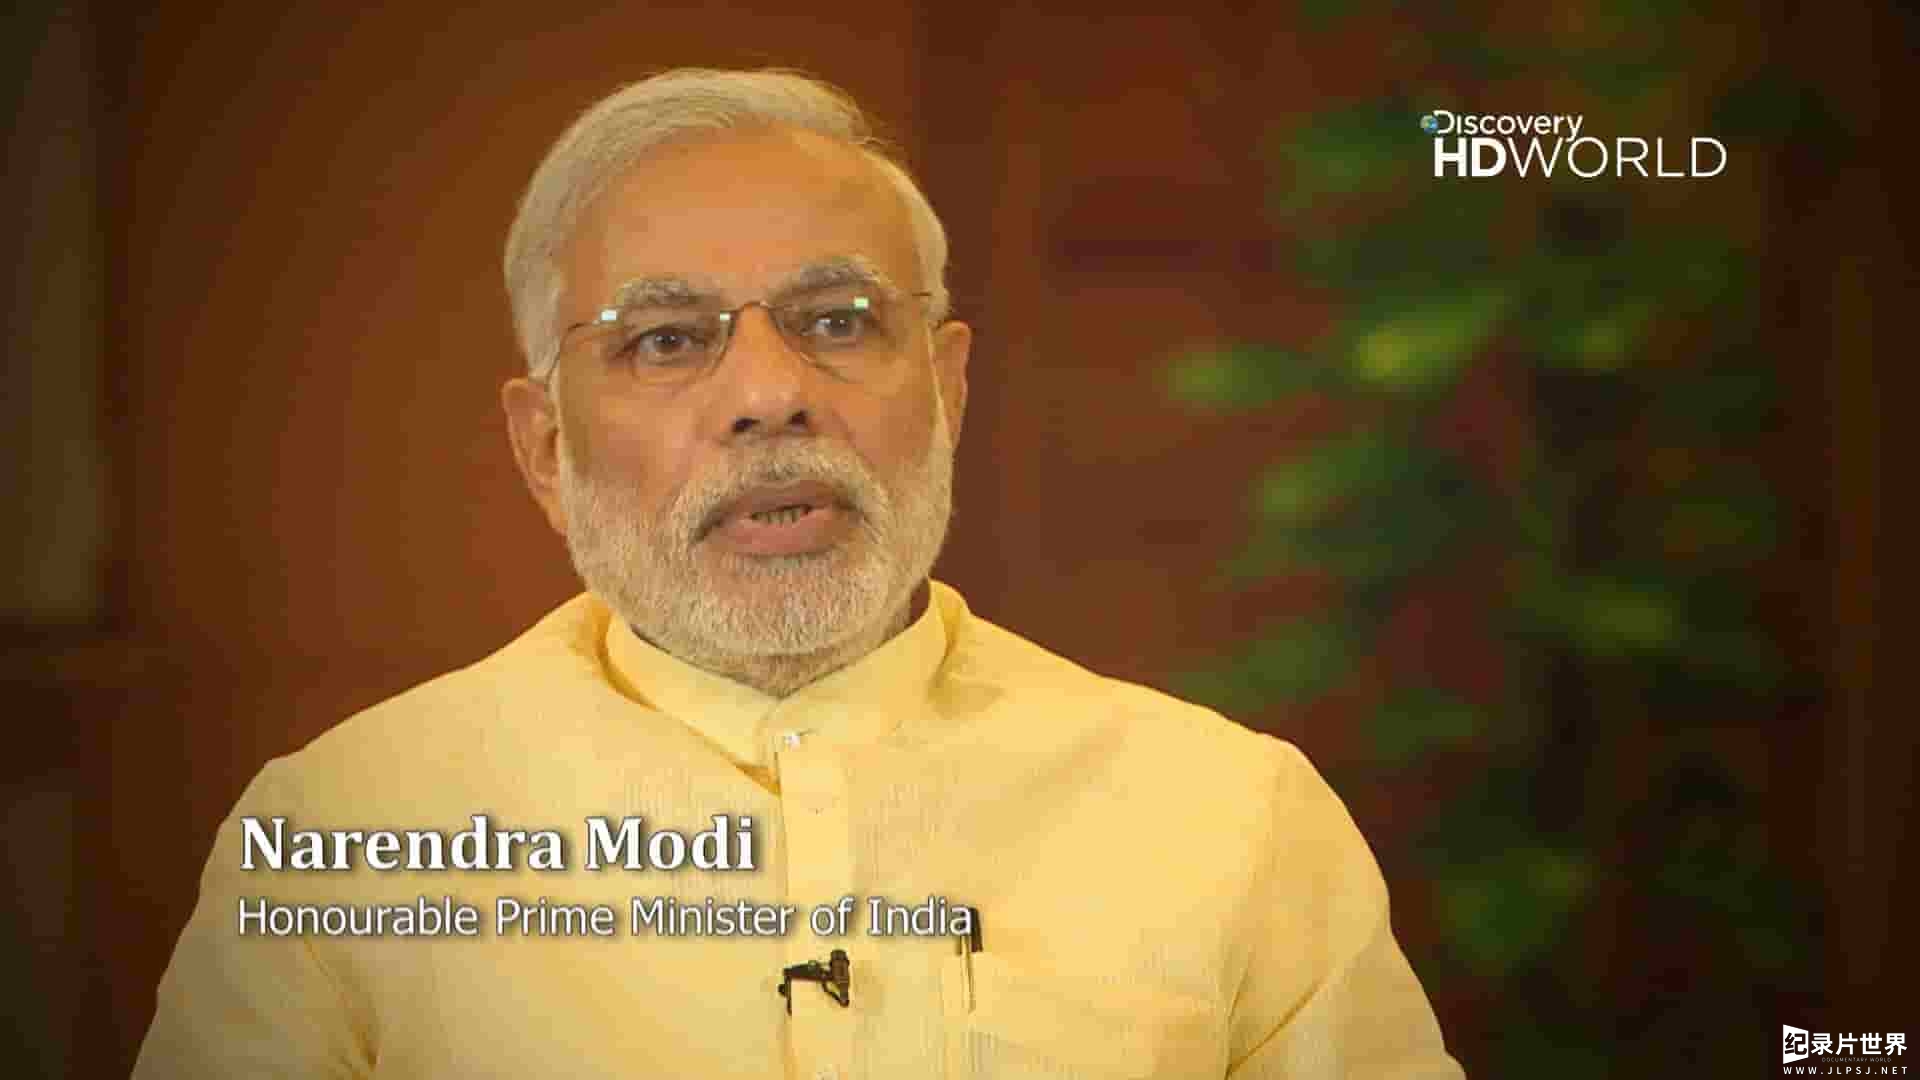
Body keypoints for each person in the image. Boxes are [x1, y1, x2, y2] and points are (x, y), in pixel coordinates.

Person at [133, 68, 1463, 1079]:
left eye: (838, 320)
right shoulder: (346, 834)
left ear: (945, 389)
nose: (768, 394)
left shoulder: (1232, 821)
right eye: (666, 340)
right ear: (545, 447)